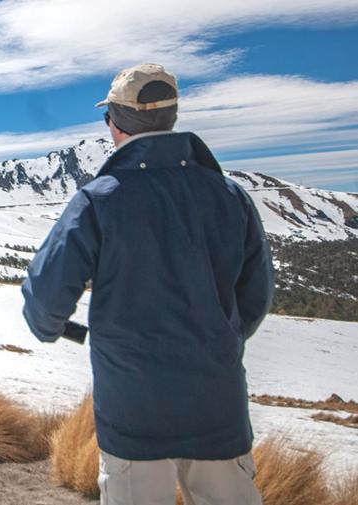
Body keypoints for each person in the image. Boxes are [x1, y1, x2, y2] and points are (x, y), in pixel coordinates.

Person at [21, 63, 274, 505]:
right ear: (172, 118)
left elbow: (46, 298)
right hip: (217, 404)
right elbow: (256, 297)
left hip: (132, 408)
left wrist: (54, 330)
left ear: (114, 123)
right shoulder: (231, 196)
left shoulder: (99, 200)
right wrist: (219, 339)